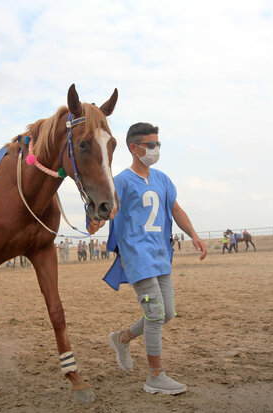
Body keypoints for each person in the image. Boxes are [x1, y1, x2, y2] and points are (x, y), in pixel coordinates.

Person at [92, 122, 207, 395]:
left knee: (166, 313)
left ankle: (122, 338)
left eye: (158, 144)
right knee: (154, 313)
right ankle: (155, 376)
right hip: (136, 257)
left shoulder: (163, 179)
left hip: (160, 255)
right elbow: (107, 209)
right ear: (135, 148)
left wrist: (193, 234)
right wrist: (96, 220)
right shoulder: (120, 180)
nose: (156, 149)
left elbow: (175, 209)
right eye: (151, 145)